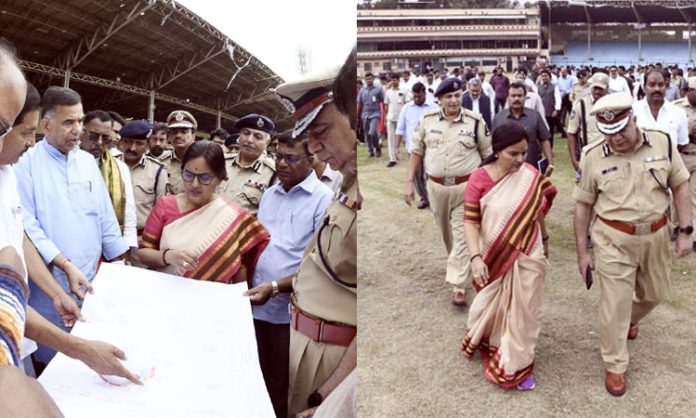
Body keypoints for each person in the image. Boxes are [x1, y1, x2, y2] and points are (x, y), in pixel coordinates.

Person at [574, 93, 692, 396]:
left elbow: (679, 184)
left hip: (656, 235)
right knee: (614, 304)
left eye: (621, 130)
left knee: (654, 294)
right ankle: (615, 365)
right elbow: (584, 206)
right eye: (608, 133)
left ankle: (628, 320)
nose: (615, 139)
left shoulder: (662, 142)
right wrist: (582, 252)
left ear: (633, 119)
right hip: (613, 239)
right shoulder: (592, 155)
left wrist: (686, 231)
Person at [15, 86, 130, 367]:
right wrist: (62, 263)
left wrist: (121, 260)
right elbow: (27, 226)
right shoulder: (26, 163)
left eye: (80, 121)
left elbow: (104, 215)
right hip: (48, 285)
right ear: (46, 124)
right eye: (69, 122)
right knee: (50, 359)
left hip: (90, 281)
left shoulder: (88, 162)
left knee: (87, 360)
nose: (77, 130)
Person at [271, 51, 357, 417]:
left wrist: (329, 393)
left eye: (321, 133)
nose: (315, 149)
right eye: (308, 140)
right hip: (305, 341)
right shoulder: (349, 182)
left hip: (334, 358)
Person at [461, 122, 557, 390]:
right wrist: (476, 257)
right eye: (513, 154)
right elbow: (470, 222)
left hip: (529, 250)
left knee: (526, 310)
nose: (520, 160)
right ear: (498, 150)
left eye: (524, 153)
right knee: (494, 305)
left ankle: (518, 363)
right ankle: (494, 340)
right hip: (493, 253)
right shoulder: (479, 178)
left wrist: (546, 238)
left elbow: (536, 212)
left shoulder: (529, 175)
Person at [248, 134, 333, 417]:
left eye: (291, 158)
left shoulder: (323, 199)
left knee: (282, 383)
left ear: (311, 161)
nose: (282, 163)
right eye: (278, 156)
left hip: (290, 313)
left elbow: (317, 263)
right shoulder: (270, 194)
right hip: (254, 306)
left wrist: (274, 287)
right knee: (255, 375)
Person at [404, 77, 492, 305]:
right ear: (440, 99)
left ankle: (458, 285)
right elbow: (416, 152)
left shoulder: (474, 121)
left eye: (456, 95)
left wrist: (486, 185)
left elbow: (487, 154)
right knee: (448, 235)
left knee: (463, 234)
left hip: (467, 187)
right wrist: (408, 182)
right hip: (436, 188)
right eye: (448, 97)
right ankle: (465, 265)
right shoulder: (427, 120)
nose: (453, 100)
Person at [138, 140, 269, 283]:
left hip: (212, 299)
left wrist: (241, 299)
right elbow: (144, 254)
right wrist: (167, 256)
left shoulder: (233, 216)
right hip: (169, 293)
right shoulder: (165, 205)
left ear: (219, 179)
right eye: (188, 175)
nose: (194, 184)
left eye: (204, 178)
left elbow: (239, 266)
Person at [79, 110, 137, 251]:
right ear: (81, 132)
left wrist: (126, 249)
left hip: (108, 244)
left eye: (105, 138)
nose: (99, 143)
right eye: (93, 136)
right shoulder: (67, 161)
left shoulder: (120, 168)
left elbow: (128, 214)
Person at [218, 114, 277, 216]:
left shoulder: (273, 174)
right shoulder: (221, 162)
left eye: (257, 137)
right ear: (239, 136)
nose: (249, 140)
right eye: (246, 133)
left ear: (267, 142)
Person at [118, 120, 168, 236]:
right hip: (110, 238)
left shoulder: (158, 171)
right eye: (127, 142)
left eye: (139, 143)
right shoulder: (109, 165)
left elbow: (161, 211)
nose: (132, 148)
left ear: (147, 145)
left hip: (140, 239)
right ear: (121, 142)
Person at [492, 82, 554, 175]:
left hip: (531, 168)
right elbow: (493, 144)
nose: (516, 98)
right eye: (513, 96)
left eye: (520, 96)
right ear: (508, 98)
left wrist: (550, 162)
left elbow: (544, 139)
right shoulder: (499, 118)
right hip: (506, 170)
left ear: (525, 97)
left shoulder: (535, 116)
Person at [396, 82, 438, 210]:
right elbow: (400, 129)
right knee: (417, 176)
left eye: (419, 96)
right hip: (413, 148)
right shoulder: (406, 108)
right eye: (414, 96)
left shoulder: (434, 107)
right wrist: (396, 148)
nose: (416, 99)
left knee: (432, 174)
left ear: (424, 93)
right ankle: (425, 198)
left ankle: (434, 198)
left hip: (431, 147)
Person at [567, 72, 610, 174]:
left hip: (611, 156)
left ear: (607, 88)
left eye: (601, 88)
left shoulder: (614, 104)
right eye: (595, 88)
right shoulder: (580, 105)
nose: (597, 91)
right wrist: (574, 160)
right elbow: (571, 133)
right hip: (588, 156)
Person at [672, 76, 696, 250]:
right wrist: (687, 131)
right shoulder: (676, 108)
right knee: (675, 194)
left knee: (694, 197)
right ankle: (675, 226)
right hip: (680, 155)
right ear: (689, 91)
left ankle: (693, 235)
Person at [162, 110, 197, 194]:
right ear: (169, 137)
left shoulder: (204, 161)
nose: (178, 135)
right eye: (174, 132)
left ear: (193, 136)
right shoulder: (161, 163)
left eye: (184, 131)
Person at [384, 73, 411, 167]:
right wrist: (385, 117)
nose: (394, 81)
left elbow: (408, 104)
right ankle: (393, 159)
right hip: (391, 118)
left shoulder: (404, 91)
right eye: (392, 80)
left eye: (395, 80)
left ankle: (410, 155)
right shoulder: (388, 92)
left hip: (402, 118)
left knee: (406, 138)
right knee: (391, 139)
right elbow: (386, 105)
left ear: (399, 81)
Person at [357, 72, 384, 157]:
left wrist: (384, 113)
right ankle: (370, 151)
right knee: (367, 134)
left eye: (370, 78)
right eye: (367, 79)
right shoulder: (362, 91)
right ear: (365, 80)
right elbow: (359, 103)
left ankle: (377, 147)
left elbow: (382, 101)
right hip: (365, 114)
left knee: (372, 132)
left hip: (375, 113)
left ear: (373, 79)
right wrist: (357, 115)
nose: (369, 80)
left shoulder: (378, 89)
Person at [537, 69, 563, 145]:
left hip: (551, 112)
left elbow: (558, 99)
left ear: (549, 77)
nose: (544, 78)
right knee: (540, 131)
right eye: (542, 76)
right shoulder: (538, 87)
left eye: (546, 76)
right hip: (541, 113)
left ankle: (550, 149)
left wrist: (556, 110)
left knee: (550, 131)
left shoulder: (554, 87)